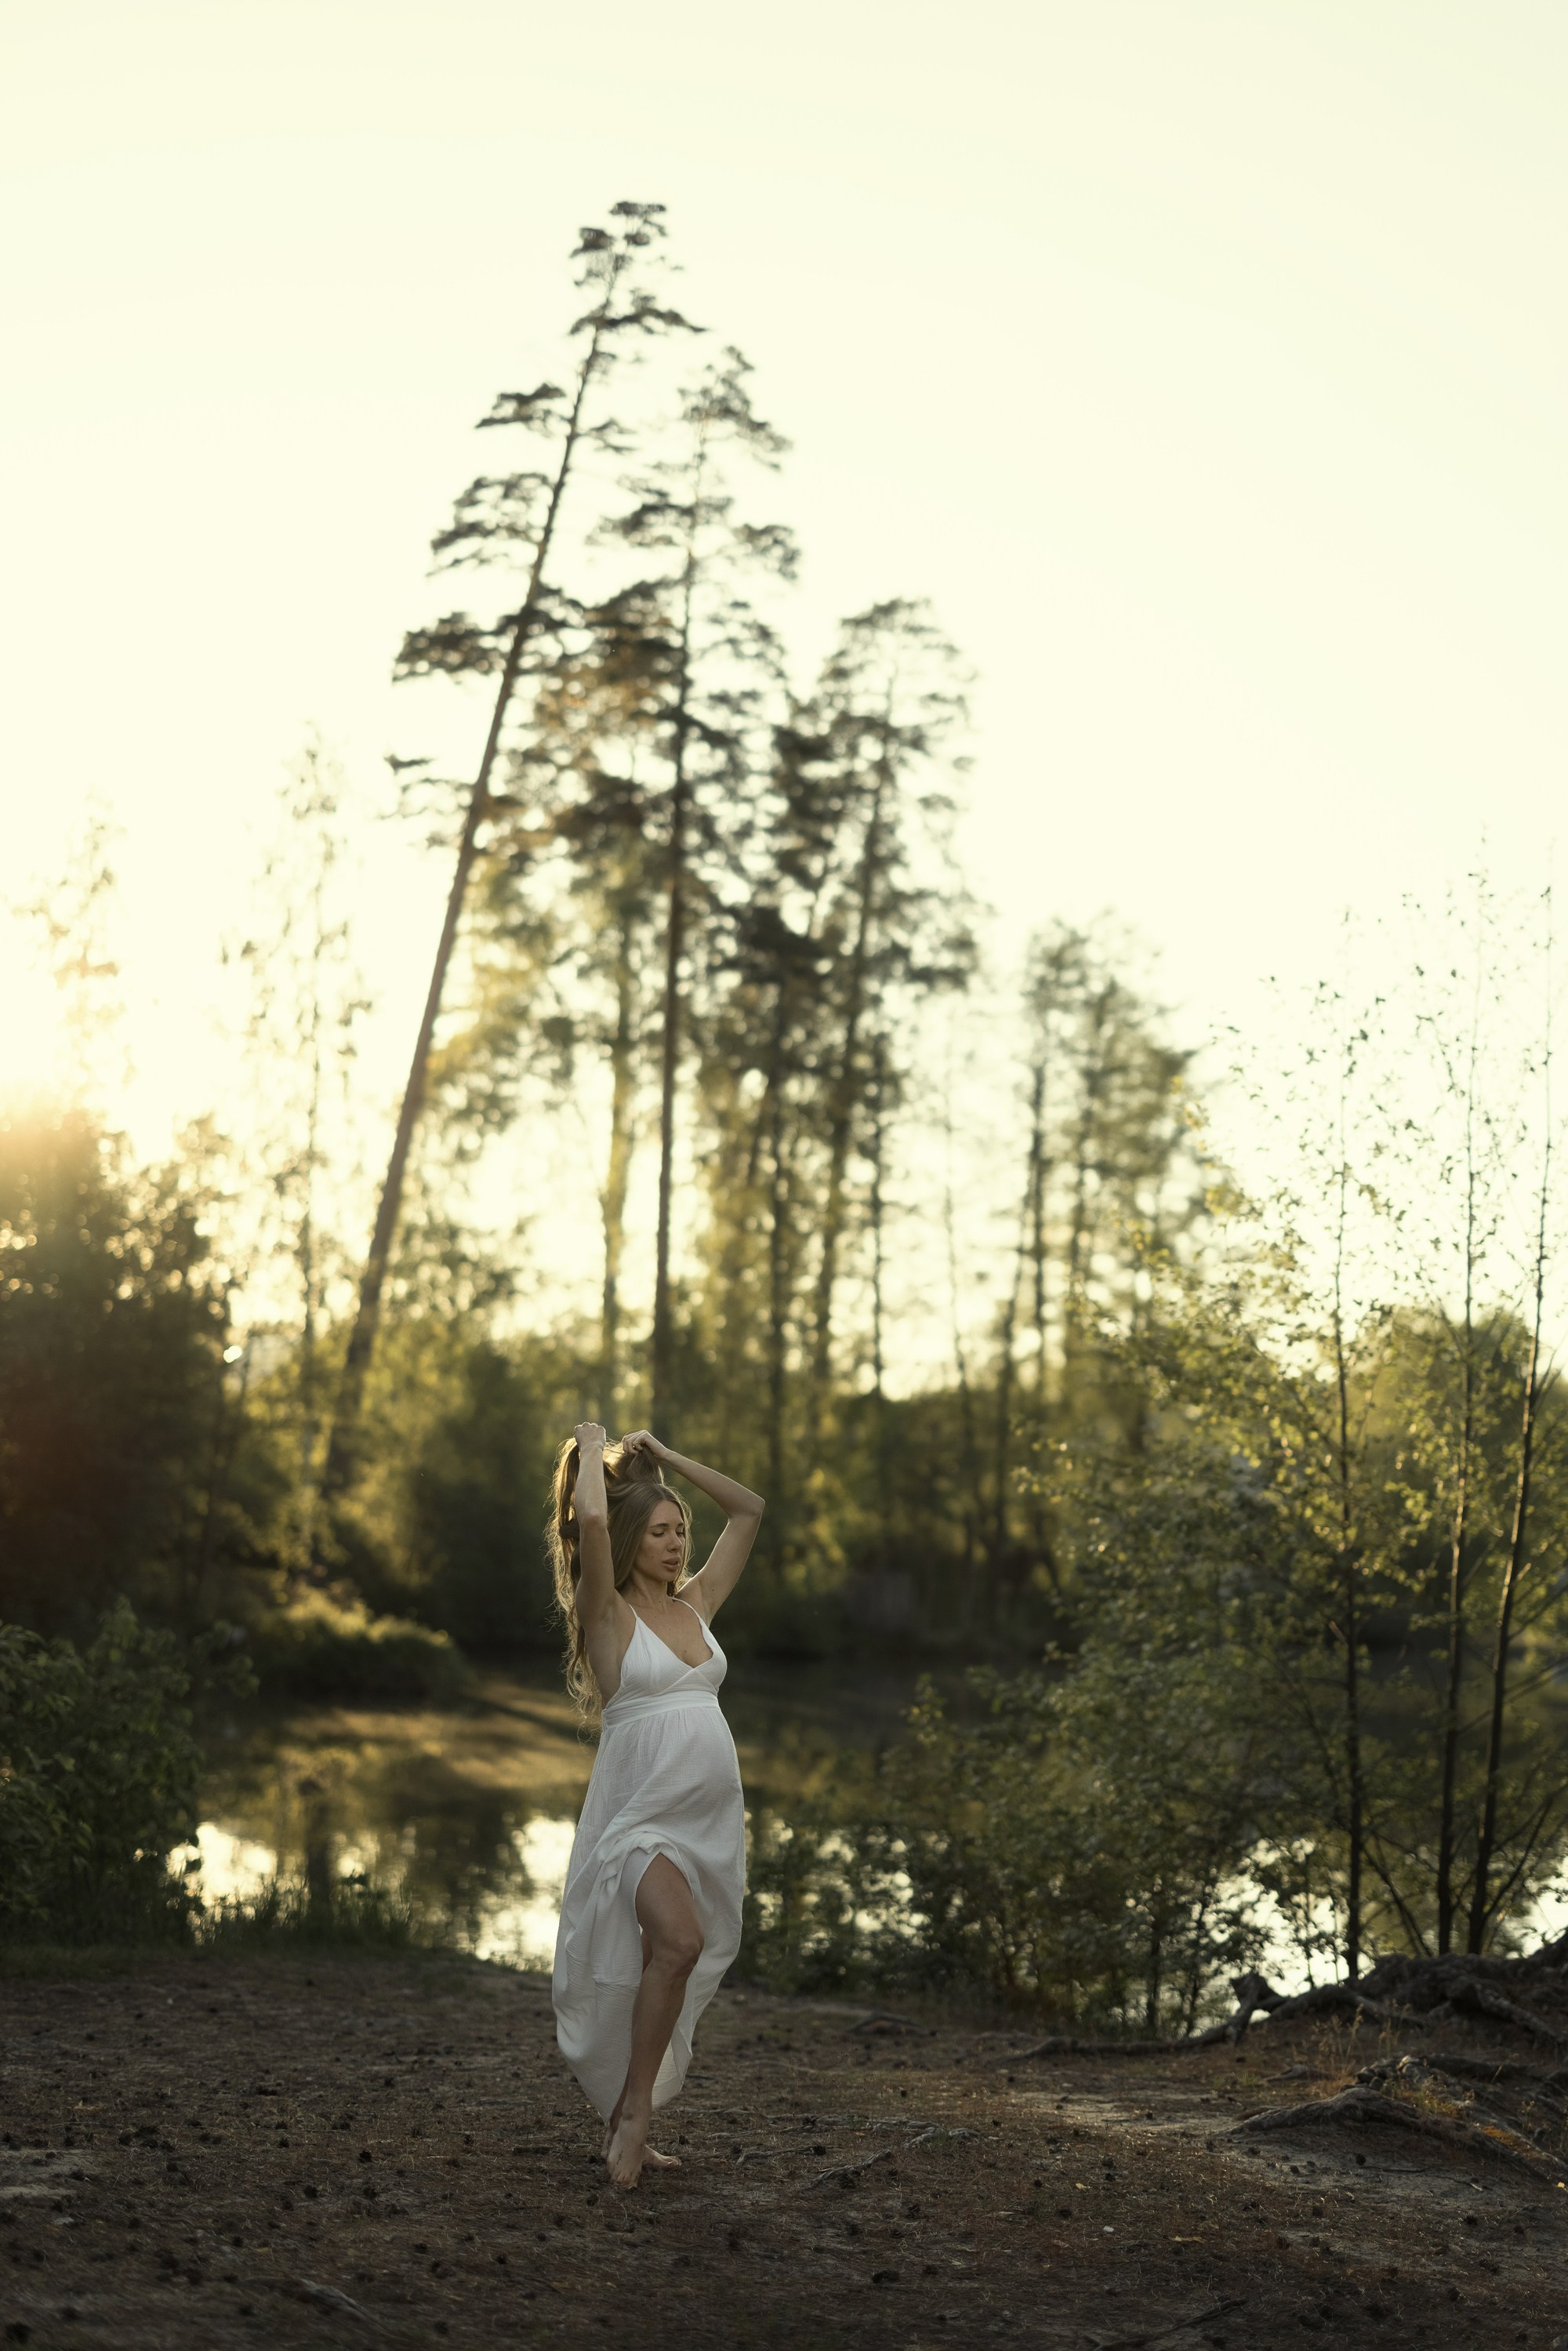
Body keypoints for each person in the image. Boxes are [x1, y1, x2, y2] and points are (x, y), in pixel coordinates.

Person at [547, 1423, 764, 2190]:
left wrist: (668, 1459)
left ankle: (629, 2117)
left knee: (673, 1957)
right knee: (675, 1941)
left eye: (681, 1532)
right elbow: (592, 1520)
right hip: (635, 1817)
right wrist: (588, 1443)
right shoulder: (605, 1616)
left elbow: (749, 1510)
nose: (675, 1545)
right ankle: (634, 2115)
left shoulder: (698, 1602)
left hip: (705, 1821)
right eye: (662, 1532)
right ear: (633, 1536)